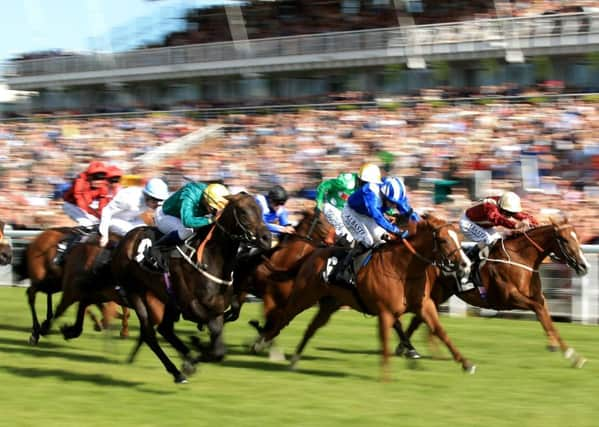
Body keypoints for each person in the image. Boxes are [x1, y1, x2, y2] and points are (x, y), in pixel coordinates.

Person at [330, 174, 420, 285]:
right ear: (384, 195)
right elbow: (377, 216)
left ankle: (374, 271)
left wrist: (419, 221)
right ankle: (343, 271)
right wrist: (395, 230)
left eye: (395, 203)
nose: (394, 206)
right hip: (351, 213)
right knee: (367, 241)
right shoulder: (371, 192)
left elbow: (407, 210)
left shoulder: (394, 195)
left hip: (366, 215)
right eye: (392, 203)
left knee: (381, 240)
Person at [146, 181, 231, 271]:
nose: (215, 212)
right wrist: (211, 219)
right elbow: (188, 222)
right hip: (165, 216)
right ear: (206, 201)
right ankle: (156, 248)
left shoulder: (212, 193)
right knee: (186, 230)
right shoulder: (190, 195)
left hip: (180, 216)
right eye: (214, 209)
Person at [315, 164, 382, 245]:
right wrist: (319, 205)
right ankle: (331, 252)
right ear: (361, 180)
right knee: (348, 237)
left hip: (347, 213)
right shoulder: (346, 182)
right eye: (368, 183)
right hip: (332, 208)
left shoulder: (369, 191)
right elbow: (323, 186)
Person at [460, 191, 539, 258]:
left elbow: (522, 216)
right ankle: (467, 257)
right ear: (501, 207)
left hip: (482, 225)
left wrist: (536, 225)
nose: (509, 215)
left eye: (511, 213)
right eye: (507, 212)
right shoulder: (489, 205)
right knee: (489, 241)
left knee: (498, 242)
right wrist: (516, 225)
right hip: (468, 222)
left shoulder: (506, 205)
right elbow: (496, 218)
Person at [98, 178, 170, 248]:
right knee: (136, 234)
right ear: (147, 196)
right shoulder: (129, 199)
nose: (157, 204)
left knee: (148, 232)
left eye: (160, 201)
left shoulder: (151, 200)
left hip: (132, 219)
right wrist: (104, 235)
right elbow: (106, 211)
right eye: (155, 201)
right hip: (114, 220)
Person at [62, 161, 110, 227]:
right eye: (96, 178)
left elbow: (103, 203)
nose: (98, 182)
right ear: (89, 177)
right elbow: (80, 200)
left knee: (100, 223)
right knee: (88, 224)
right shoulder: (80, 181)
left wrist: (102, 215)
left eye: (101, 179)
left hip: (87, 206)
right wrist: (94, 213)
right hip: (72, 205)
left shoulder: (104, 185)